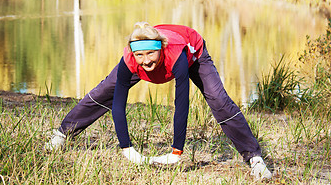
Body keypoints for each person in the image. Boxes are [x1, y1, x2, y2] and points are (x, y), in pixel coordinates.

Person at [45, 22, 272, 180]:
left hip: (194, 53)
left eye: (150, 54)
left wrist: (177, 151)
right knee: (105, 90)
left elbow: (181, 104)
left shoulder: (176, 57)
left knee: (220, 101)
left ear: (161, 49)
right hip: (160, 44)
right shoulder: (131, 59)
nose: (146, 61)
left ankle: (255, 159)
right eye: (139, 56)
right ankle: (62, 134)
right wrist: (127, 148)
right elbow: (118, 104)